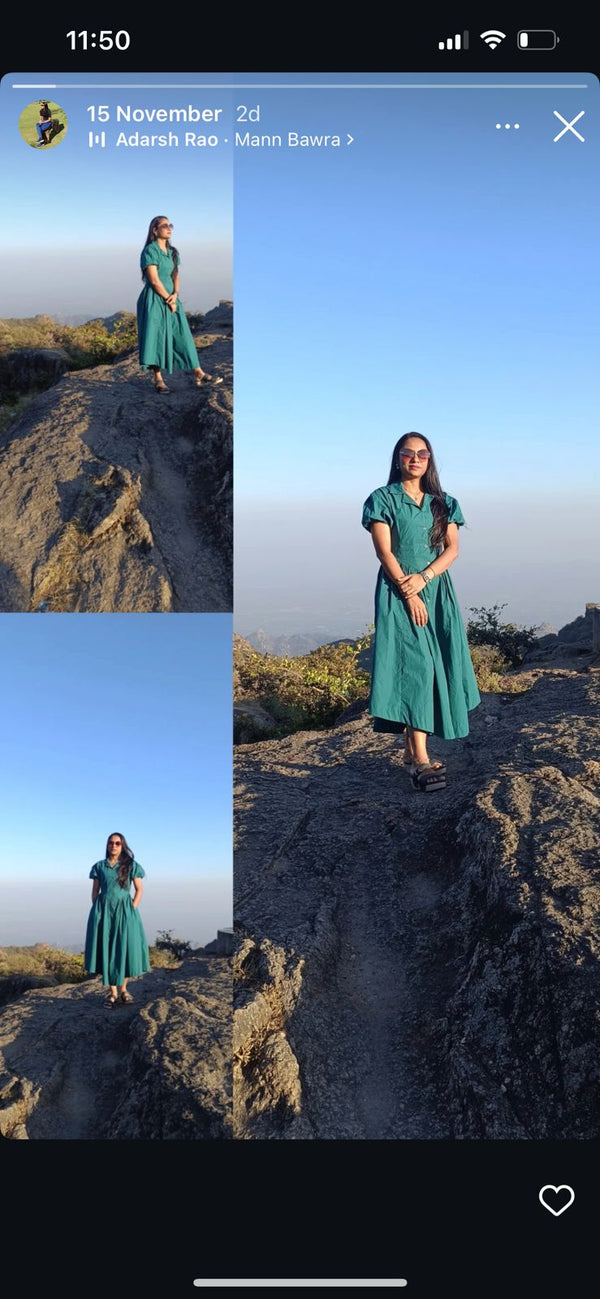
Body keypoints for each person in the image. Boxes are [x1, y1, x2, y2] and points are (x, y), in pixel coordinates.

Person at [362, 432, 480, 792]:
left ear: (430, 460)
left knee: (434, 665)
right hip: (398, 591)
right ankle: (421, 761)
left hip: (436, 591)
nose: (415, 459)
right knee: (417, 667)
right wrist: (409, 591)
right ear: (397, 458)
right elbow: (384, 552)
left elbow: (452, 549)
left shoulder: (444, 503)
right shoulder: (382, 499)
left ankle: (410, 752)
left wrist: (425, 578)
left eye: (422, 454)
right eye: (408, 453)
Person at [137, 215, 222, 393]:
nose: (169, 228)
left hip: (172, 299)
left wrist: (175, 295)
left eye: (171, 225)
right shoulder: (150, 251)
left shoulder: (173, 252)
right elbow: (154, 280)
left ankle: (198, 372)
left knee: (182, 335)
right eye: (164, 225)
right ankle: (158, 379)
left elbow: (175, 275)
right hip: (154, 299)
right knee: (155, 337)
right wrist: (168, 298)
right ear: (155, 230)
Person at [84, 832, 151, 1006]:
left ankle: (124, 990)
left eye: (117, 843)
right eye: (111, 843)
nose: (113, 846)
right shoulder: (99, 866)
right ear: (107, 845)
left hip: (125, 912)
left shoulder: (131, 865)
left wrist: (132, 908)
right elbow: (95, 891)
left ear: (122, 846)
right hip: (104, 913)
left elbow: (139, 889)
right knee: (106, 948)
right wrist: (98, 911)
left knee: (125, 948)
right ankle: (112, 992)